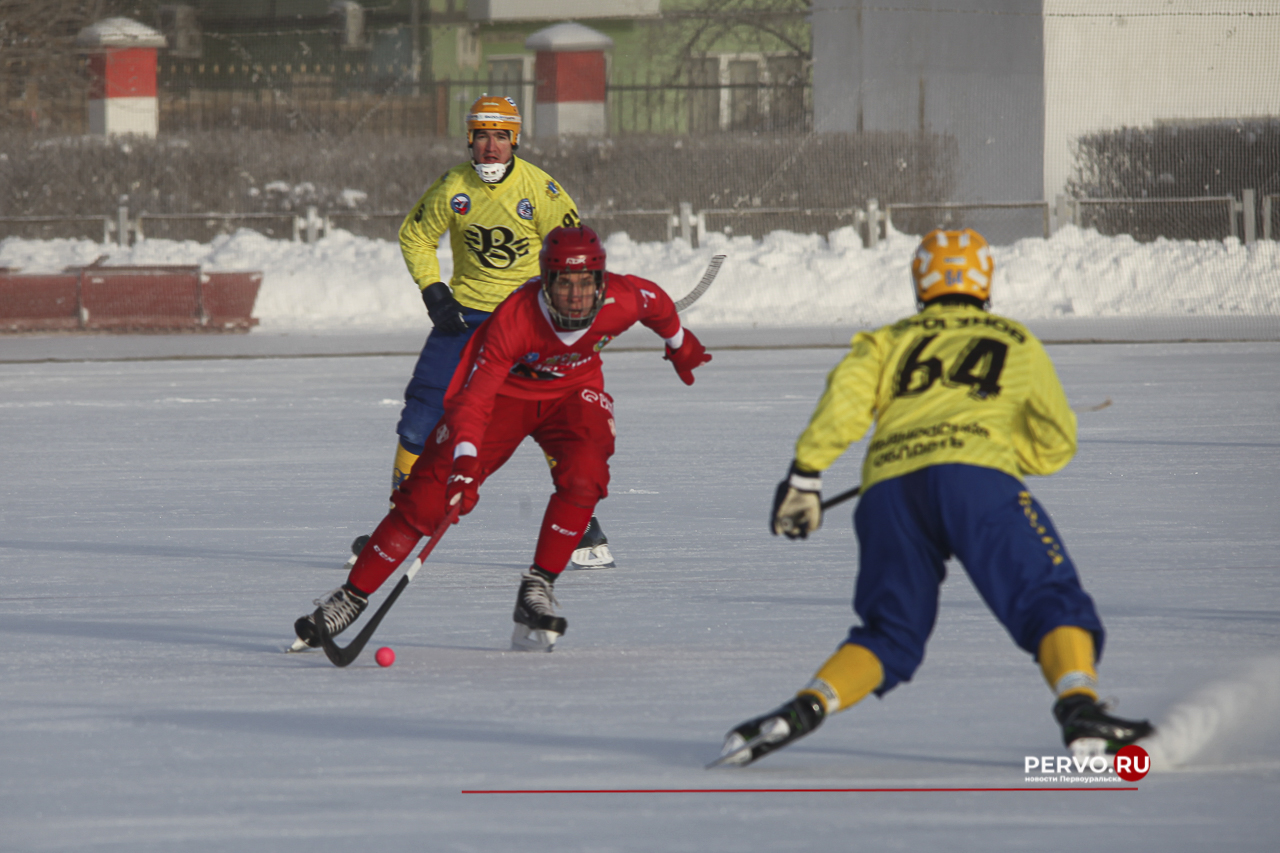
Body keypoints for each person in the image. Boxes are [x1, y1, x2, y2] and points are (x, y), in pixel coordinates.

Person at [714, 228, 1153, 766]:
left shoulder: (887, 340)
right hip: (977, 484)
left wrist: (805, 477)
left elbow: (844, 404)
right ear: (984, 281)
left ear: (920, 283)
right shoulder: (1013, 340)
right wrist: (995, 449)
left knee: (892, 631)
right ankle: (1079, 705)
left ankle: (810, 704)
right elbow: (1056, 444)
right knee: (1047, 596)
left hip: (888, 492)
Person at [294, 225, 712, 652]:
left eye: (586, 283)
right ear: (545, 282)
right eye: (564, 283)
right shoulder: (516, 319)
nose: (575, 295)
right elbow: (474, 403)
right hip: (505, 397)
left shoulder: (622, 299)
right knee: (426, 499)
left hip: (572, 393)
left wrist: (679, 344)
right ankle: (350, 596)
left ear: (602, 282)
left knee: (586, 474)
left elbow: (657, 304)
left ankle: (538, 587)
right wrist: (464, 467)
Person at [388, 93, 614, 570]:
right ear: (470, 140)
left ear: (515, 140)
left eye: (500, 137)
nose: (491, 147)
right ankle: (400, 517)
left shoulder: (542, 190)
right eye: (482, 136)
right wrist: (435, 292)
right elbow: (416, 235)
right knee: (422, 413)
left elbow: (573, 251)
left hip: (527, 321)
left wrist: (578, 312)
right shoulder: (453, 186)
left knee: (553, 418)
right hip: (465, 316)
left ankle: (581, 526)